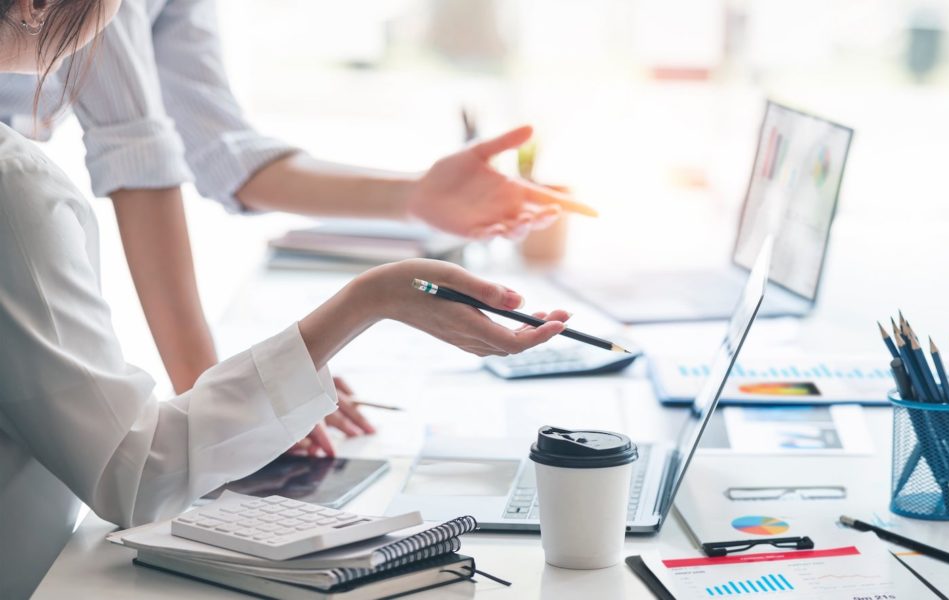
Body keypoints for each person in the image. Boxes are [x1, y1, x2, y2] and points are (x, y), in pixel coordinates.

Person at [0, 2, 572, 597]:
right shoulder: (19, 189)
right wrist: (235, 406)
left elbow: (223, 148)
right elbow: (137, 476)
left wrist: (419, 198)